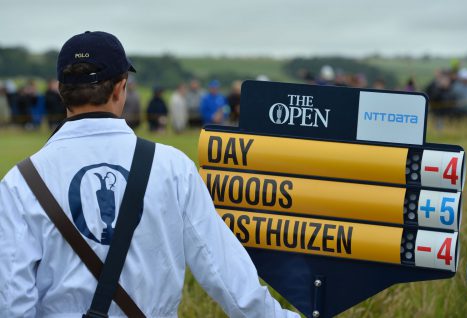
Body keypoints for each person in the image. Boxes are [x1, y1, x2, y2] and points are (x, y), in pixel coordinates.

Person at [0, 31, 299, 318]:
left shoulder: (19, 182)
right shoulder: (173, 168)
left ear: (62, 90)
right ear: (121, 86)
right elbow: (227, 276)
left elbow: (11, 301)